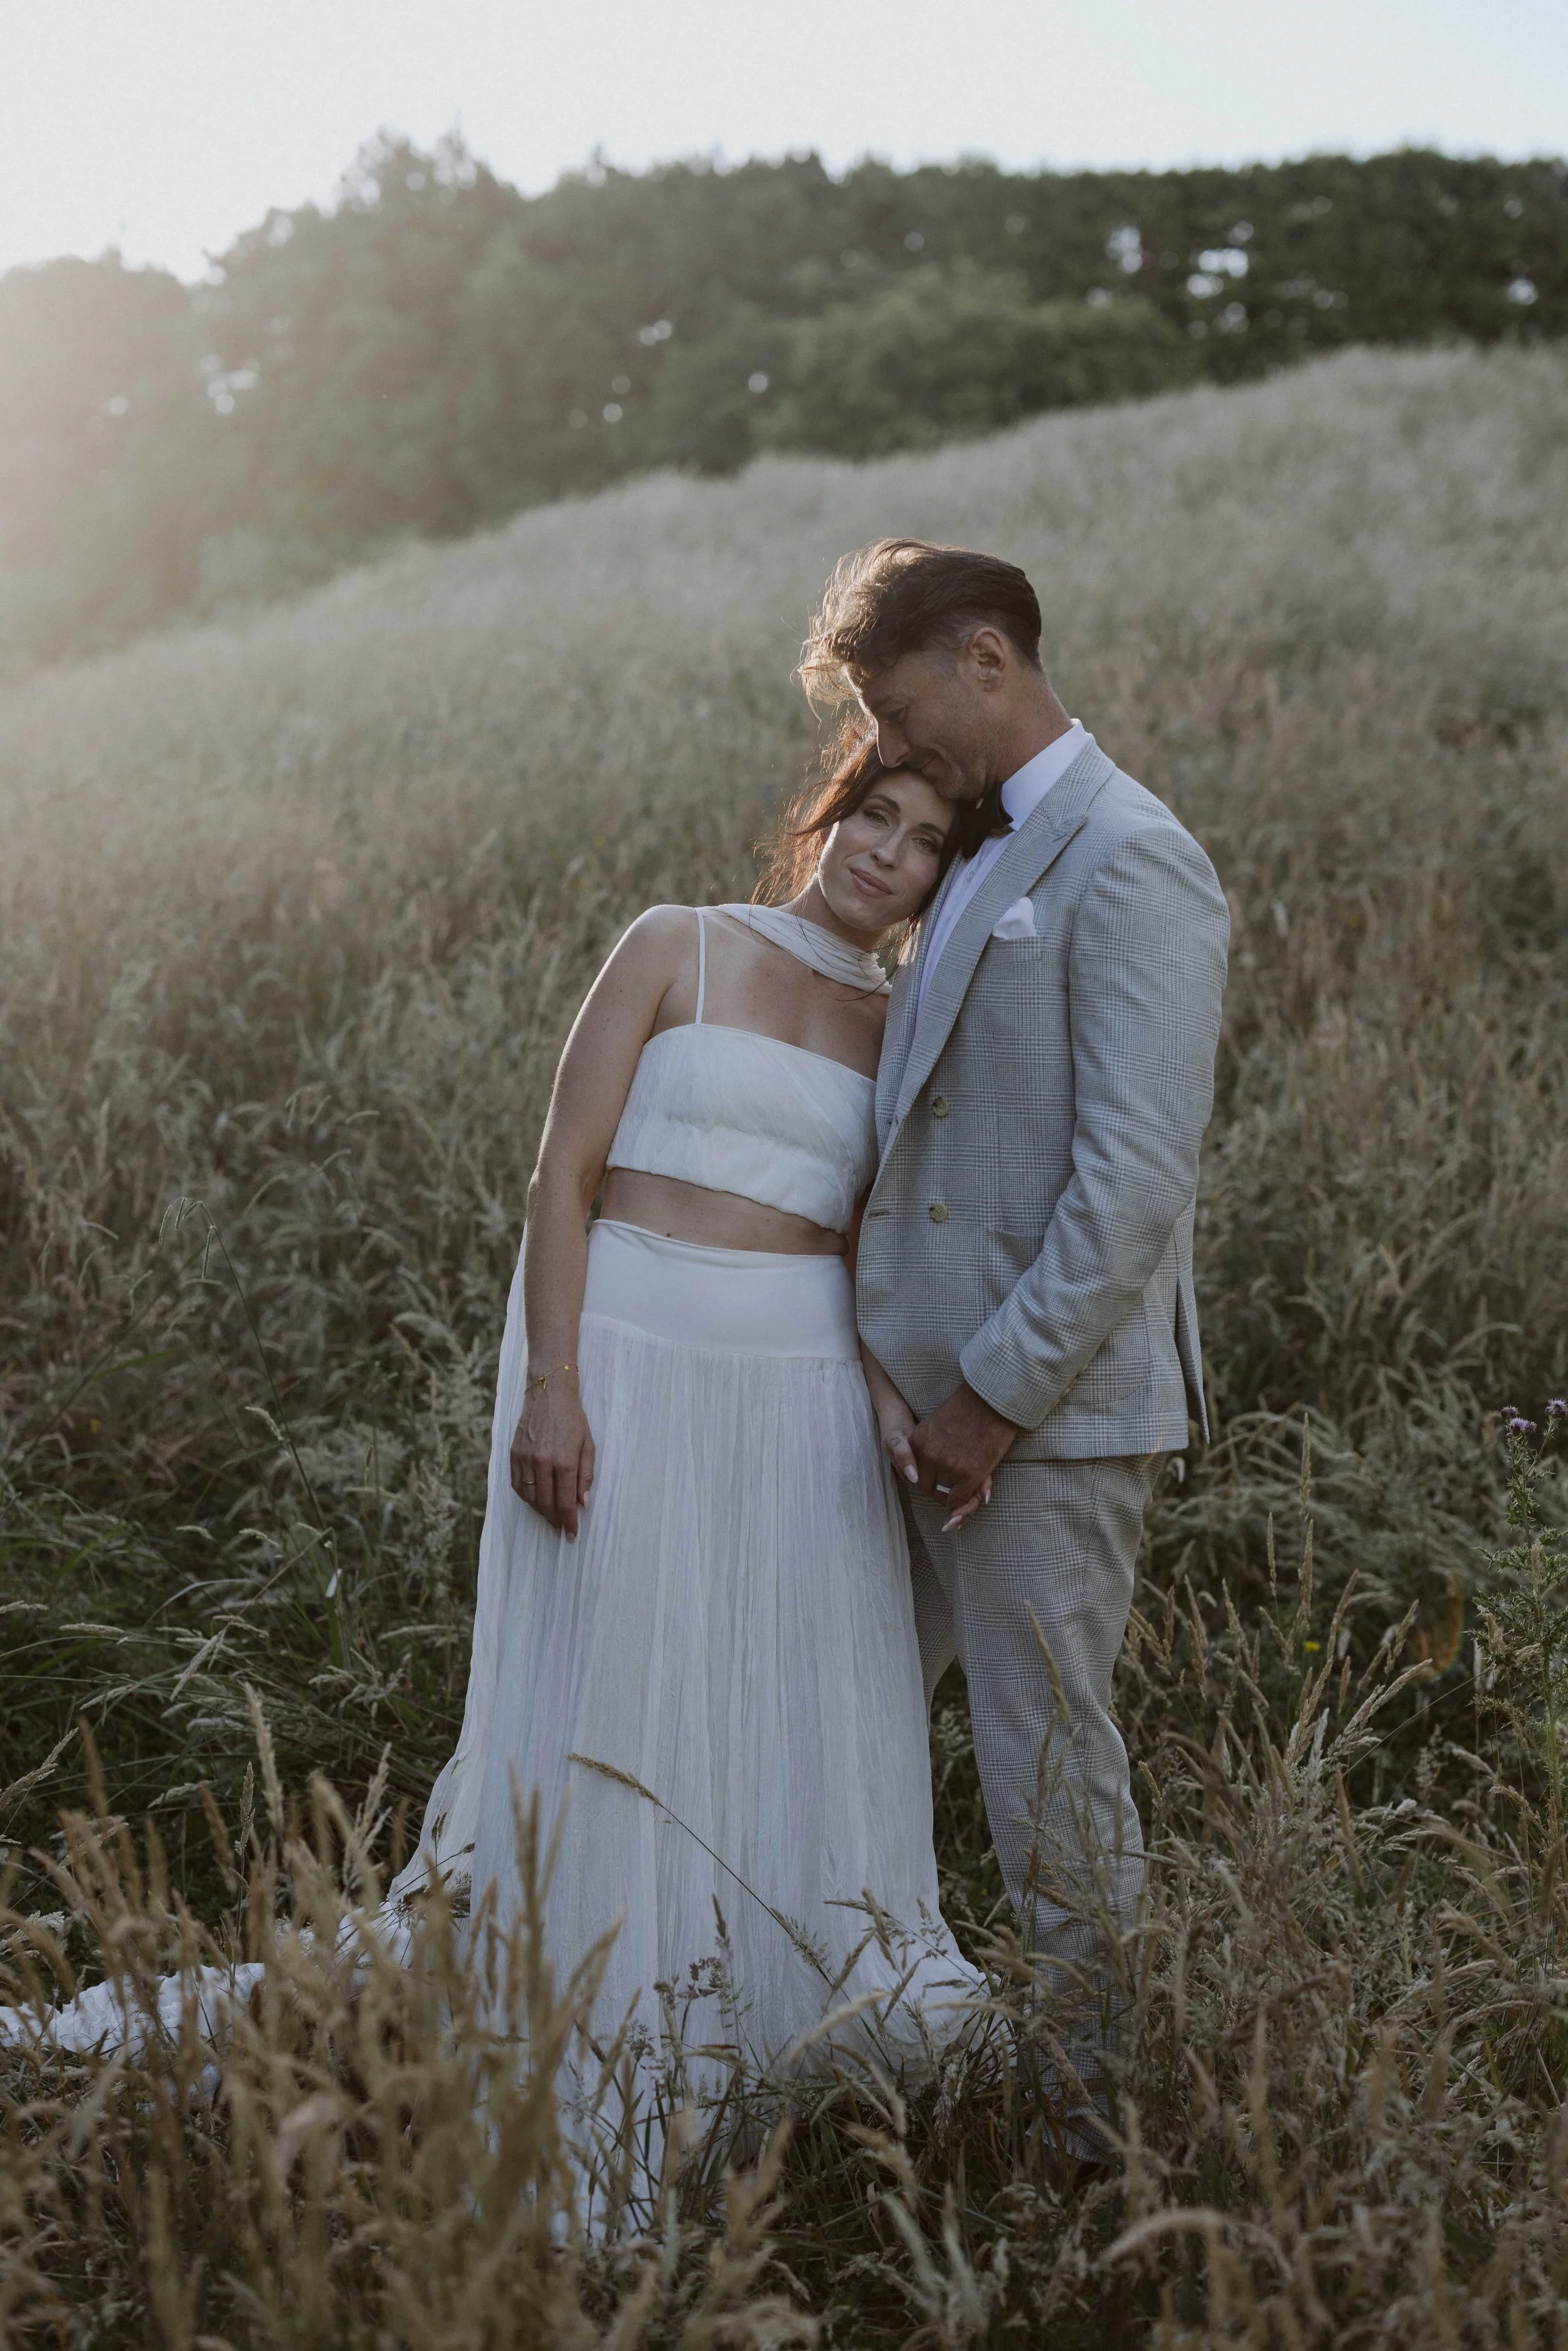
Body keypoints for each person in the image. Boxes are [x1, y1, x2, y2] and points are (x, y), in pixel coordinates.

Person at [389, 736, 985, 2119]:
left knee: (769, 1668)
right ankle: (591, 1996)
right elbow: (563, 1170)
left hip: (795, 1379)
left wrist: (895, 1403)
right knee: (617, 1651)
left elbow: (861, 1244)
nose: (882, 851)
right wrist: (552, 1380)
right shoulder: (676, 942)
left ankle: (754, 1992)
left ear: (934, 886)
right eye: (869, 815)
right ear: (823, 818)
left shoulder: (907, 1028)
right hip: (622, 1341)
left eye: (919, 843)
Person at [806, 539, 1230, 2141]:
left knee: (1046, 1777)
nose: (889, 745)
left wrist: (984, 1397)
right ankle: (832, 2032)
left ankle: (1097, 2134)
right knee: (849, 1726)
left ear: (985, 657)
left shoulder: (1131, 856)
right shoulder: (974, 846)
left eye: (898, 706)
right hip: (908, 1409)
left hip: (1033, 1416)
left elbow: (1131, 1182)